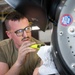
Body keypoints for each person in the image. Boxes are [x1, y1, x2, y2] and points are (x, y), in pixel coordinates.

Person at [0, 11, 45, 75]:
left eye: (27, 28)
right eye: (19, 31)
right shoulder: (2, 48)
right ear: (9, 34)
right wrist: (19, 63)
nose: (26, 35)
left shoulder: (41, 47)